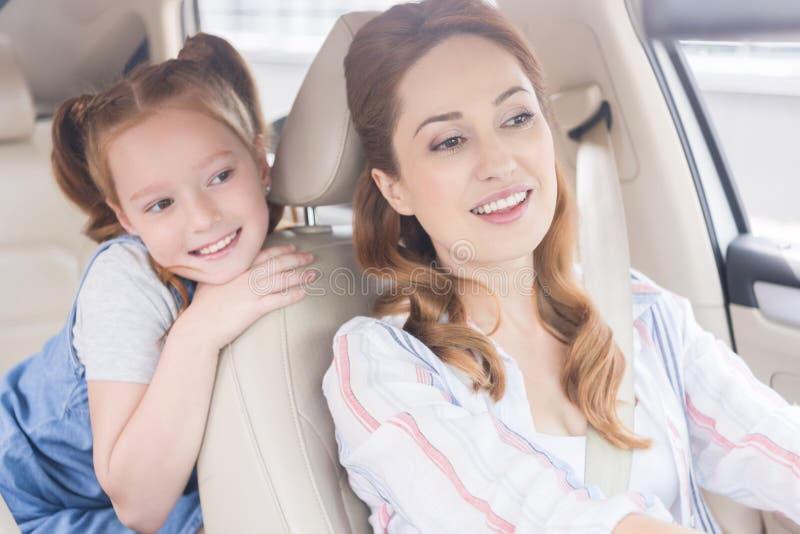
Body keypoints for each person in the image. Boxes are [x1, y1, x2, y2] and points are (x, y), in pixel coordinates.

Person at [322, 1, 800, 532]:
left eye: (517, 117)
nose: (499, 162)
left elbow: (776, 446)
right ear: (396, 188)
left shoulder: (643, 314)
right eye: (450, 140)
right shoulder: (382, 363)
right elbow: (544, 519)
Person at [0, 33, 315, 533]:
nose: (202, 218)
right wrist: (198, 330)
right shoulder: (126, 282)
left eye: (219, 176)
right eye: (160, 205)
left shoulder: (286, 244)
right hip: (24, 497)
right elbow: (140, 506)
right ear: (126, 218)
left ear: (260, 163)